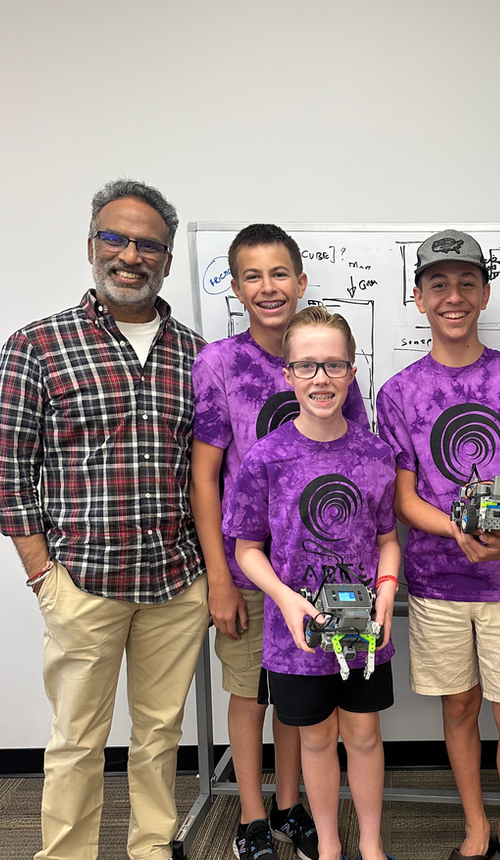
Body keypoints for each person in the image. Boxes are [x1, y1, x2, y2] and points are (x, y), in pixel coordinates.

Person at [0, 179, 210, 860]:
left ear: (167, 260)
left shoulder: (198, 355)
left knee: (159, 735)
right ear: (91, 246)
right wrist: (42, 576)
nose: (130, 255)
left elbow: (208, 473)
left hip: (175, 584)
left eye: (148, 244)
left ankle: (150, 849)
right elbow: (9, 474)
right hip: (82, 583)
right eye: (115, 238)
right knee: (78, 739)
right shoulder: (37, 345)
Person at [376, 230, 500, 860]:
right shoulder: (397, 393)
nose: (453, 296)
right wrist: (458, 531)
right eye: (438, 285)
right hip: (436, 582)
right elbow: (403, 498)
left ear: (484, 293)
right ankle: (476, 826)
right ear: (419, 298)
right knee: (459, 707)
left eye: (465, 283)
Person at [192, 225, 366, 860]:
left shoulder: (329, 358)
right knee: (249, 692)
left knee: (303, 699)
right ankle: (252, 817)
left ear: (300, 281)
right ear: (236, 287)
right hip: (252, 567)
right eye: (253, 276)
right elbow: (206, 475)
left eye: (279, 274)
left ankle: (292, 806)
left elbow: (356, 459)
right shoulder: (219, 364)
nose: (268, 288)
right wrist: (219, 575)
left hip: (321, 571)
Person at [224, 305, 401, 860]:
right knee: (317, 739)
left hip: (363, 629)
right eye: (306, 366)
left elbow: (387, 537)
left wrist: (389, 587)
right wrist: (284, 597)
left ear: (351, 373)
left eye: (333, 365)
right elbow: (247, 547)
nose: (320, 378)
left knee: (365, 738)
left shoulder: (375, 453)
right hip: (294, 635)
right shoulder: (266, 458)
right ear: (287, 374)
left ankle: (369, 845)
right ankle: (328, 845)